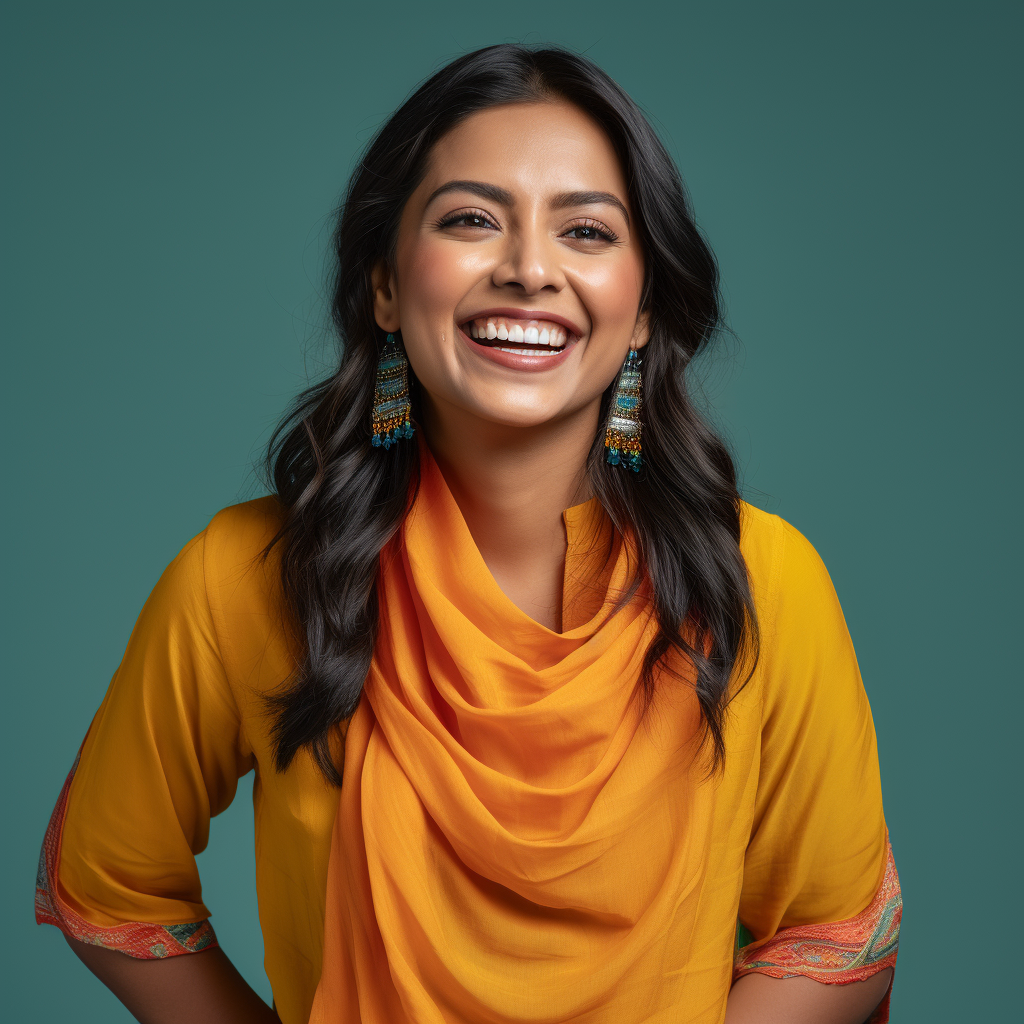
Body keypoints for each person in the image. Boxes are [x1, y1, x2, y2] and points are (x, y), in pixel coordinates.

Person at [35, 44, 901, 1024]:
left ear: (644, 308)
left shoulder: (758, 579)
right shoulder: (248, 577)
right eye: (471, 220)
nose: (529, 268)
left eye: (585, 230)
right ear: (385, 287)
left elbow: (834, 933)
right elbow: (111, 885)